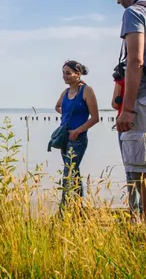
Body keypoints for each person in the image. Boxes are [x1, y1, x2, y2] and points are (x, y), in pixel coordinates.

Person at [105, 0, 146, 218]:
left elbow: (136, 61)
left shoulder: (134, 12)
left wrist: (128, 109)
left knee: (138, 169)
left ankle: (139, 226)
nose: (118, 1)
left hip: (141, 100)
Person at [55, 60, 99, 207]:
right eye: (63, 73)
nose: (64, 76)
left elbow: (95, 118)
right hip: (64, 138)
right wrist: (65, 120)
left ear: (78, 74)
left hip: (78, 138)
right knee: (74, 173)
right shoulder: (65, 92)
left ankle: (63, 210)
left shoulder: (86, 90)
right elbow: (57, 107)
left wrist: (77, 130)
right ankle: (78, 208)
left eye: (68, 73)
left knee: (68, 173)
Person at [112, 78, 143, 217]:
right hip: (141, 121)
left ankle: (133, 210)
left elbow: (114, 103)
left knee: (130, 170)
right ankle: (141, 211)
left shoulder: (122, 78)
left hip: (125, 123)